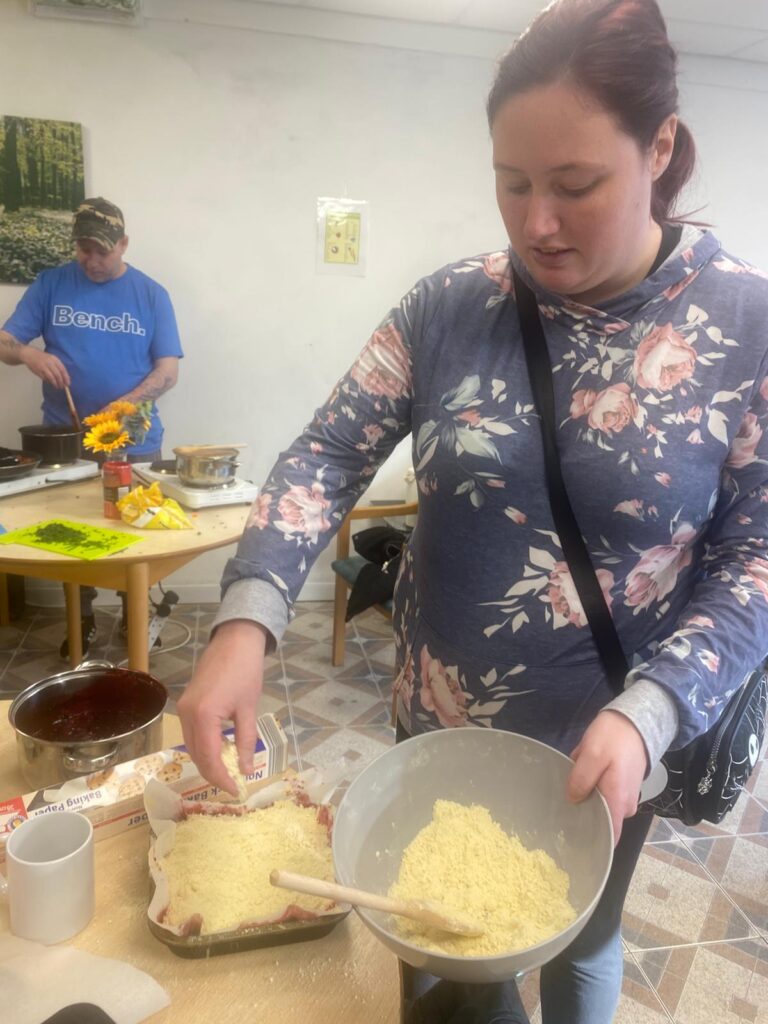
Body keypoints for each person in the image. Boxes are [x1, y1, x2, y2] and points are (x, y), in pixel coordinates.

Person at [178, 1, 768, 1021]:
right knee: (453, 974)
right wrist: (247, 614)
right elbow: (326, 449)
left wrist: (656, 709)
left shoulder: (744, 327)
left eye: (576, 186)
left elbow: (759, 554)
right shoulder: (450, 306)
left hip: (610, 749)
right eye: (512, 182)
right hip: (440, 736)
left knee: (582, 938)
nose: (537, 222)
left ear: (659, 146)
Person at [0, 197, 183, 656]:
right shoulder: (51, 283)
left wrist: (123, 405)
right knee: (71, 532)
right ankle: (81, 622)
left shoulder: (151, 294)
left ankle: (134, 617)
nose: (92, 260)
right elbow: (5, 340)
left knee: (135, 533)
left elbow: (167, 371)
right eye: (84, 249)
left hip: (135, 438)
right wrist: (29, 354)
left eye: (103, 251)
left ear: (123, 244)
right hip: (64, 439)